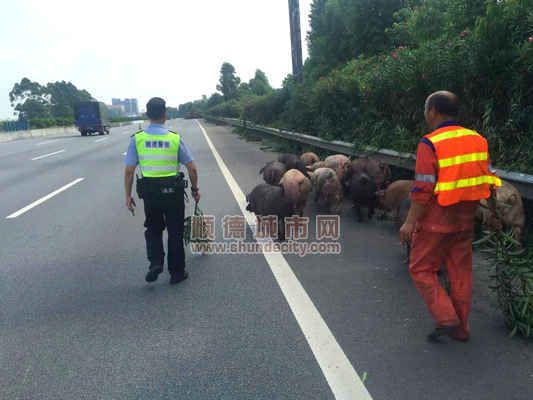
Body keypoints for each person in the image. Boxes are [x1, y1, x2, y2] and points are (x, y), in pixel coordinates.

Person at [399, 91, 501, 343]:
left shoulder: (430, 142)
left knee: (421, 268)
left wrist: (410, 222)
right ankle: (461, 329)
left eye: (426, 109)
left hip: (437, 217)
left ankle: (446, 317)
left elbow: (423, 188)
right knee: (460, 272)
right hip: (466, 218)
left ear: (433, 110)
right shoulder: (477, 139)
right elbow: (488, 181)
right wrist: (493, 214)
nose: (425, 115)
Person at [124, 97, 200, 285]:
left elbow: (129, 170)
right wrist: (195, 189)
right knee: (175, 231)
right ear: (165, 115)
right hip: (173, 193)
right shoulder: (174, 138)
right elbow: (192, 168)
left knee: (153, 229)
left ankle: (156, 263)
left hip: (150, 194)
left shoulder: (138, 139)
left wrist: (128, 195)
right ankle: (176, 273)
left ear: (147, 115)